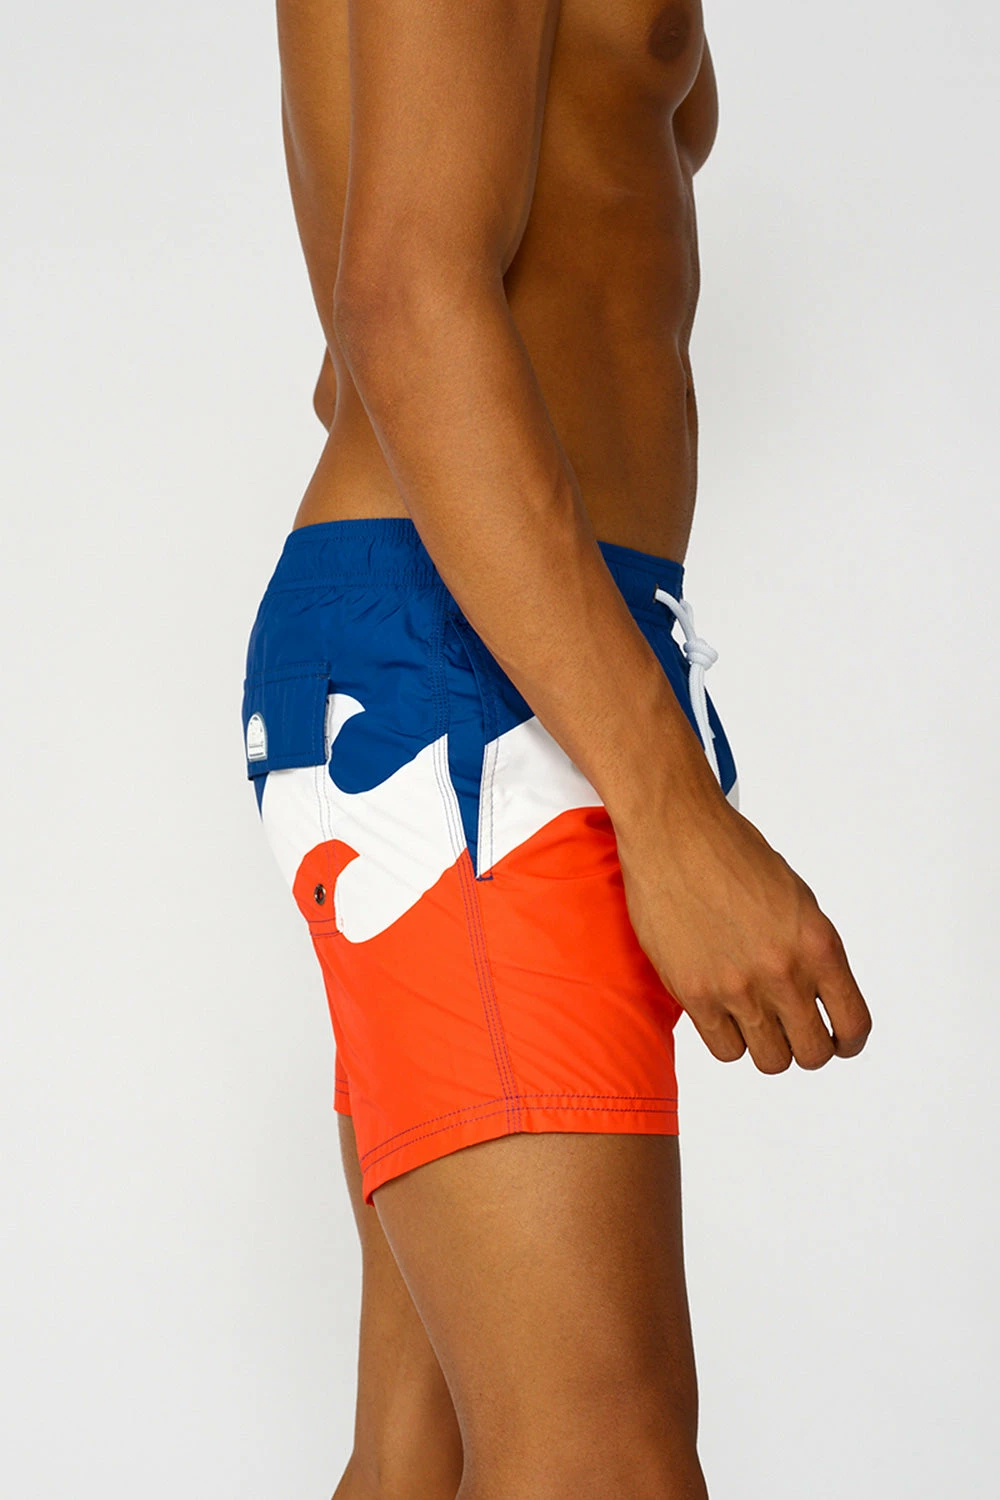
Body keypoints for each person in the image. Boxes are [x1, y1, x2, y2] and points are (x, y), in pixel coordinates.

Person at [241, 2, 873, 1495]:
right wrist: (665, 804)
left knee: (421, 1456)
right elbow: (400, 302)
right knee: (602, 1458)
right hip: (465, 673)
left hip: (519, 624)